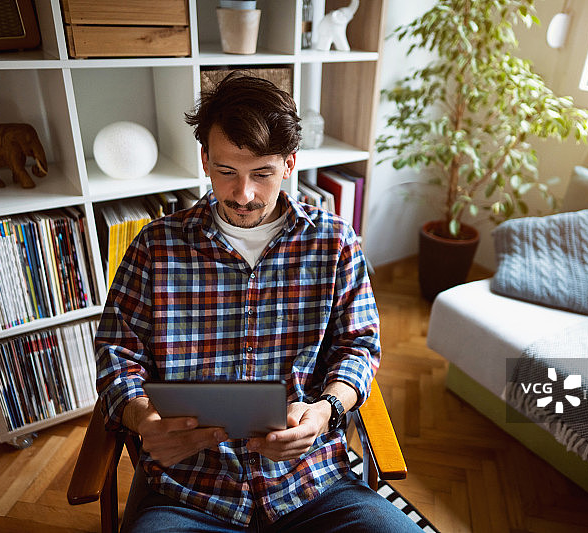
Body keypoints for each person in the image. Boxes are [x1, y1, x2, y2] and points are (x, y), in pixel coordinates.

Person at [95, 72, 422, 532]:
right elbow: (116, 353)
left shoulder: (334, 243)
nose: (243, 194)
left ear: (289, 164)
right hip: (189, 490)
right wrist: (141, 417)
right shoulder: (156, 247)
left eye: (262, 173)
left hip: (311, 483)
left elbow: (361, 347)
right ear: (206, 160)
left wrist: (326, 410)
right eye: (226, 171)